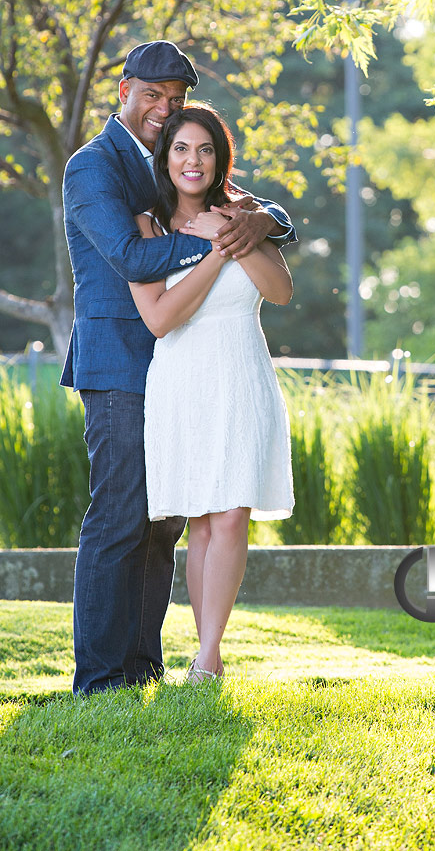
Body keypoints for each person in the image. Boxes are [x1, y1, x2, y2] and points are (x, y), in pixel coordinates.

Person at [62, 40, 296, 696]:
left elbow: (269, 214)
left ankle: (143, 665)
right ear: (123, 91)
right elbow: (134, 260)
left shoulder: (176, 159)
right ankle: (101, 679)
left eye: (175, 99)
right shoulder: (94, 168)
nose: (164, 110)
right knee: (119, 518)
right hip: (119, 363)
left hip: (183, 369)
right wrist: (217, 235)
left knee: (163, 520)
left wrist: (259, 219)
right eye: (152, 96)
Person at [129, 105, 294, 682]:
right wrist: (214, 252)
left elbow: (279, 291)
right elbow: (160, 319)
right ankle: (209, 655)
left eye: (204, 150)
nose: (192, 161)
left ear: (219, 156)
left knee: (231, 517)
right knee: (200, 521)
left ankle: (205, 656)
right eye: (180, 149)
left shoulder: (241, 215)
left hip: (241, 375)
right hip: (182, 382)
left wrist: (231, 234)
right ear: (165, 157)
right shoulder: (147, 226)